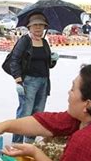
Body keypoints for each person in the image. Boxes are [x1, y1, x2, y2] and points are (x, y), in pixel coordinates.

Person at [9, 13, 56, 143]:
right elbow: (14, 60)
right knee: (25, 113)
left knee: (38, 114)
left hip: (44, 82)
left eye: (41, 25)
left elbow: (48, 64)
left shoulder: (45, 42)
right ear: (29, 27)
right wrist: (18, 80)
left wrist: (53, 60)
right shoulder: (25, 41)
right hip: (28, 82)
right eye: (35, 25)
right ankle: (16, 143)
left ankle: (29, 143)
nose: (38, 28)